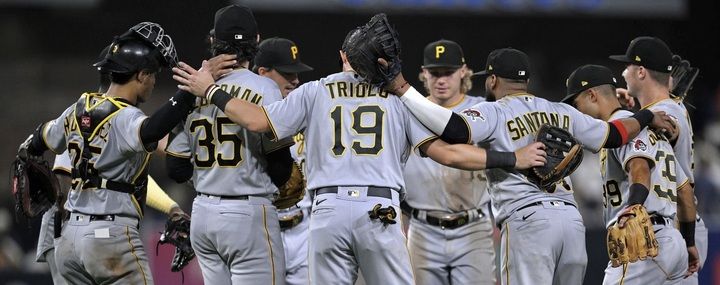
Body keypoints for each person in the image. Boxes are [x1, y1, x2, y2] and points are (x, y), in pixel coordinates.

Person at [171, 27, 548, 284]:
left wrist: (211, 91)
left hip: (326, 212)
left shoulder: (316, 90)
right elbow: (446, 152)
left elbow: (255, 121)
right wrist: (510, 159)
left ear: (342, 56)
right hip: (379, 212)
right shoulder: (398, 98)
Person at [386, 47, 678, 285]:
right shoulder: (560, 109)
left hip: (528, 222)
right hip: (571, 225)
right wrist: (645, 117)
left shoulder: (494, 110)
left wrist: (403, 89)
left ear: (492, 80)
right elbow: (615, 135)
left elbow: (454, 130)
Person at [16, 21, 200, 284]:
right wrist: (186, 96)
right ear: (141, 75)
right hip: (104, 233)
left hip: (69, 240)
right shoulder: (124, 118)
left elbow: (41, 136)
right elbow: (150, 132)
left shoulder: (76, 111)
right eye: (152, 75)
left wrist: (28, 149)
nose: (153, 82)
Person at [164, 5, 295, 285]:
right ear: (257, 41)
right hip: (248, 214)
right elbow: (281, 168)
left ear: (213, 42)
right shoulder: (265, 88)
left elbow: (175, 167)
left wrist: (212, 180)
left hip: (203, 213)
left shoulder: (191, 92)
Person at [562, 64, 696, 284]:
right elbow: (685, 193)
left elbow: (640, 167)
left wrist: (633, 207)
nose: (577, 112)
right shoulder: (651, 130)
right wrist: (689, 243)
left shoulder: (622, 126)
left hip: (645, 241)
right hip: (673, 242)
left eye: (576, 104)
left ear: (592, 95)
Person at [609, 36, 704, 283]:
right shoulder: (673, 106)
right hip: (684, 218)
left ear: (641, 71)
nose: (623, 72)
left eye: (628, 66)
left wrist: (617, 112)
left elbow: (665, 127)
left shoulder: (668, 112)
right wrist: (638, 111)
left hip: (670, 223)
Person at [402, 39, 495, 285]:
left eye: (448, 72)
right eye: (435, 73)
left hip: (473, 226)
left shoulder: (483, 109)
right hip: (422, 228)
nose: (441, 80)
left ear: (463, 71)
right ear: (424, 73)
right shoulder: (408, 110)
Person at [253, 36, 314, 285]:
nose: (295, 80)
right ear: (263, 73)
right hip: (261, 231)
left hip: (304, 229)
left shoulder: (306, 110)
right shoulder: (245, 118)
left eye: (296, 73)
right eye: (287, 73)